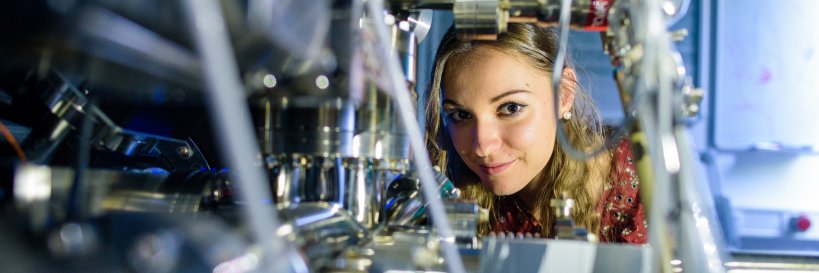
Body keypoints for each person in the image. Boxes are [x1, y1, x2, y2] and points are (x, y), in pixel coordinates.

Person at [424, 23, 646, 244]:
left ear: (563, 94)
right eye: (461, 115)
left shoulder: (644, 183)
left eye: (511, 108)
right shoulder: (444, 181)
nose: (482, 146)